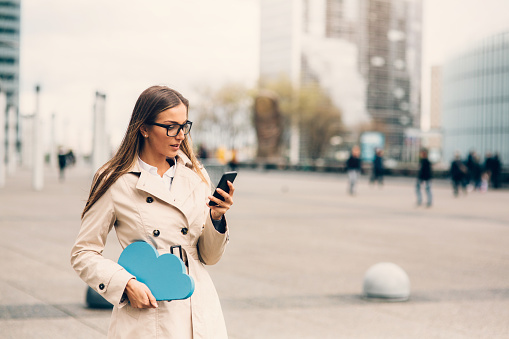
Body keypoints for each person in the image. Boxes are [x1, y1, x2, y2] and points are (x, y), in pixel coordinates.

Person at [71, 86, 234, 338]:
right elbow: (83, 253)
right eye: (170, 126)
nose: (180, 135)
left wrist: (216, 218)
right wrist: (125, 284)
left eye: (184, 125)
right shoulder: (115, 180)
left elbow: (208, 257)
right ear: (144, 128)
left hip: (199, 309)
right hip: (149, 312)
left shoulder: (196, 175)